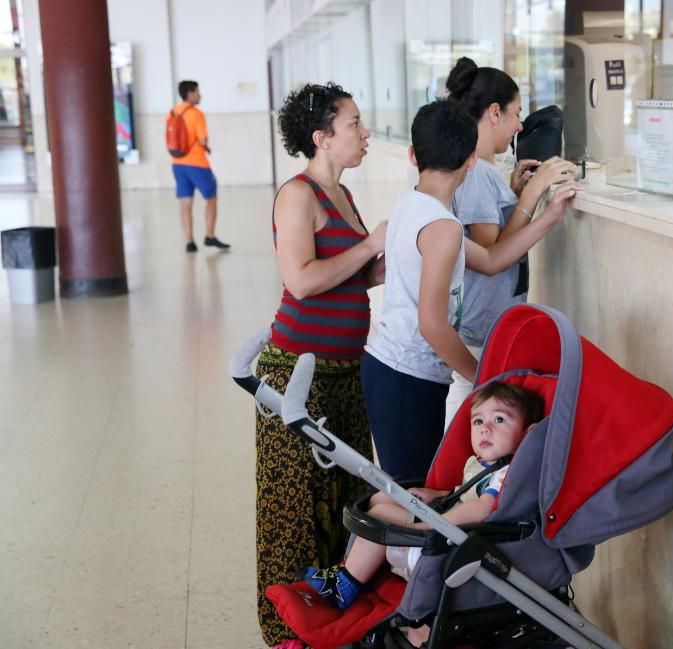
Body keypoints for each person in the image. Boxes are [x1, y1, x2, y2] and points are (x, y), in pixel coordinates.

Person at [362, 100, 581, 484]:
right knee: (413, 499)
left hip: (392, 370)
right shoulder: (443, 227)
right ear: (470, 161)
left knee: (406, 493)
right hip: (406, 377)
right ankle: (378, 547)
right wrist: (484, 381)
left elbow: (493, 259)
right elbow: (431, 324)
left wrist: (550, 216)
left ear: (414, 155)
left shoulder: (413, 206)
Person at [255, 82, 387, 649]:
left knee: (347, 498)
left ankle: (334, 618)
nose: (365, 134)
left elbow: (353, 276)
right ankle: (287, 627)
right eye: (354, 124)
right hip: (297, 376)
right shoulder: (298, 195)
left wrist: (403, 254)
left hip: (346, 371)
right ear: (322, 138)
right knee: (296, 506)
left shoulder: (344, 195)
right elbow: (303, 281)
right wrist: (367, 247)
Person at [300, 381, 545, 610]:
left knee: (379, 513)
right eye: (478, 421)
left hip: (449, 544)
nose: (485, 429)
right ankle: (348, 569)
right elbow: (468, 493)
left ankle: (345, 584)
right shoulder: (478, 463)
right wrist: (437, 494)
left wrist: (428, 524)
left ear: (528, 434)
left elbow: (482, 507)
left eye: (499, 419)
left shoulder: (507, 473)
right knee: (379, 499)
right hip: (445, 524)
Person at [443, 57, 576, 429]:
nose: (520, 125)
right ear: (494, 112)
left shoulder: (482, 170)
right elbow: (493, 251)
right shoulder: (479, 172)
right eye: (516, 114)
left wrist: (516, 193)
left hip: (482, 322)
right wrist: (532, 197)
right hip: (480, 325)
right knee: (470, 417)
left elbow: (492, 233)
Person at [168, 80, 230, 252]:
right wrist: (206, 145)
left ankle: (190, 242)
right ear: (190, 93)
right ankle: (210, 236)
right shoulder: (197, 114)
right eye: (197, 91)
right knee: (211, 197)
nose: (200, 94)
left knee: (185, 203)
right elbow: (202, 140)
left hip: (177, 164)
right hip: (197, 164)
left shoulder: (172, 112)